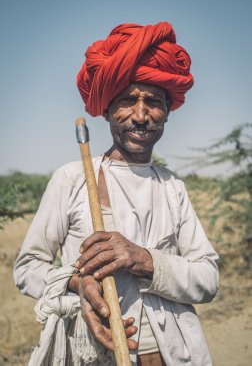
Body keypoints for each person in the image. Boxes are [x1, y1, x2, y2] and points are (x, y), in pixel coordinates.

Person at [14, 22, 219, 366]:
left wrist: (145, 259)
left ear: (167, 111)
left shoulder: (172, 186)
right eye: (127, 100)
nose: (141, 115)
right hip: (91, 352)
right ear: (107, 109)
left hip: (173, 353)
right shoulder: (72, 178)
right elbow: (27, 268)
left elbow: (207, 279)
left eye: (153, 102)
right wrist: (75, 283)